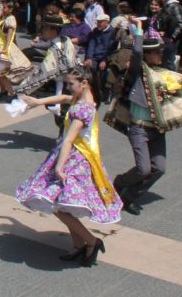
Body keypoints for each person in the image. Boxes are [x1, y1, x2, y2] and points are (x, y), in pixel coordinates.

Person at [109, 23, 182, 216]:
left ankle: (129, 197)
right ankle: (120, 182)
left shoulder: (162, 74)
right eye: (156, 52)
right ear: (147, 55)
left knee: (159, 168)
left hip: (157, 128)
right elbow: (137, 54)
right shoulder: (137, 72)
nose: (160, 55)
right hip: (139, 128)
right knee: (143, 169)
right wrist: (139, 29)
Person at [15, 66, 122, 267]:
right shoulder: (82, 100)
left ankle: (91, 241)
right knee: (64, 204)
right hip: (73, 157)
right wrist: (38, 102)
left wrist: (59, 168)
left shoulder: (83, 110)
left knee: (57, 204)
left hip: (74, 160)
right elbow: (64, 98)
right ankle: (79, 245)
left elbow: (69, 140)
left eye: (71, 84)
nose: (68, 87)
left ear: (84, 83)